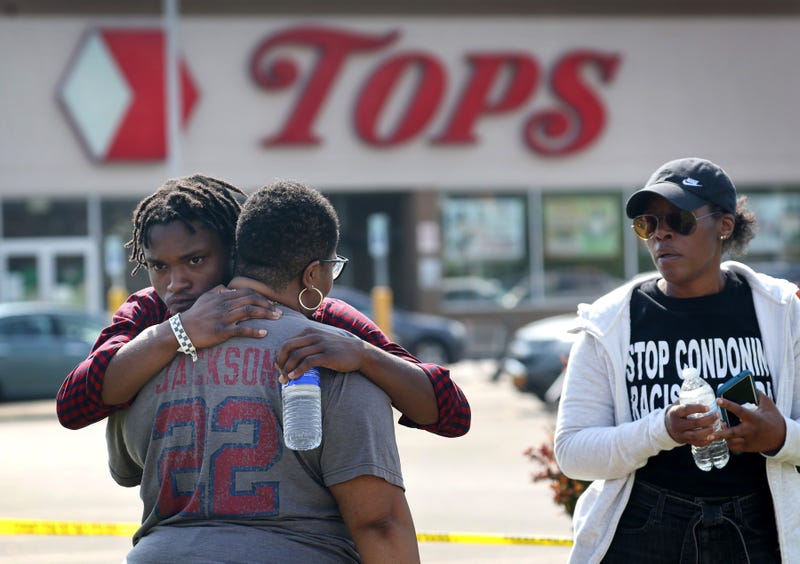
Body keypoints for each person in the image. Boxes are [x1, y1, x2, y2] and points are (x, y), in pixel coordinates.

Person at [107, 180, 420, 562]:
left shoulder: (142, 358)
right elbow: (380, 523)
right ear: (313, 273)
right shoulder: (331, 357)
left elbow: (125, 470)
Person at [56, 175, 470, 438]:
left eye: (195, 260)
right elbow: (73, 406)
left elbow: (451, 413)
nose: (175, 282)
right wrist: (175, 333)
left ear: (235, 252)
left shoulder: (314, 313)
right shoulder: (150, 312)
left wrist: (365, 357)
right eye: (158, 266)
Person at [554, 157, 800, 563]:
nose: (661, 234)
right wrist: (661, 429)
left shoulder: (783, 312)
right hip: (643, 526)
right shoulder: (610, 323)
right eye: (648, 224)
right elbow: (573, 452)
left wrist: (780, 438)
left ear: (724, 225)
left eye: (679, 220)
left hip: (760, 524)